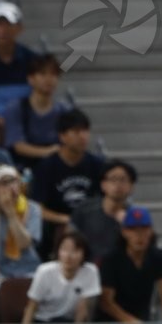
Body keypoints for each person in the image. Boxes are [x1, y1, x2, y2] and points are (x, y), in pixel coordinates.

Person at [31, 109, 103, 255]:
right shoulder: (46, 167)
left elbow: (104, 201)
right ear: (62, 136)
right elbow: (37, 209)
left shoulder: (97, 165)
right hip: (56, 224)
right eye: (76, 131)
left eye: (85, 131)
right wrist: (66, 219)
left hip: (90, 223)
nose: (83, 136)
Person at [98, 206, 162, 322]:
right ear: (124, 232)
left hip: (142, 317)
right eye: (133, 229)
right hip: (111, 320)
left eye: (144, 229)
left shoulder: (158, 256)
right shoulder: (111, 259)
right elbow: (105, 301)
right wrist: (130, 321)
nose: (139, 235)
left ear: (151, 231)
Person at [4, 54, 70, 170]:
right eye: (43, 74)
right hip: (24, 168)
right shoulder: (16, 108)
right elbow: (18, 146)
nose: (49, 79)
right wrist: (50, 152)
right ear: (31, 79)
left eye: (53, 74)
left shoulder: (65, 110)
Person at [22, 232, 101, 324]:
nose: (68, 255)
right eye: (64, 249)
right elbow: (31, 307)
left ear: (84, 254)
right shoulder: (45, 271)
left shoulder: (91, 271)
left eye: (75, 250)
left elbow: (82, 310)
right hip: (44, 319)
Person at [70, 160, 137, 264]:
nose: (118, 184)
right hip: (86, 268)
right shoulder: (85, 210)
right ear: (103, 185)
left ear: (131, 187)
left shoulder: (135, 217)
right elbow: (69, 240)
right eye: (113, 179)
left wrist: (127, 226)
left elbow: (140, 251)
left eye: (123, 180)